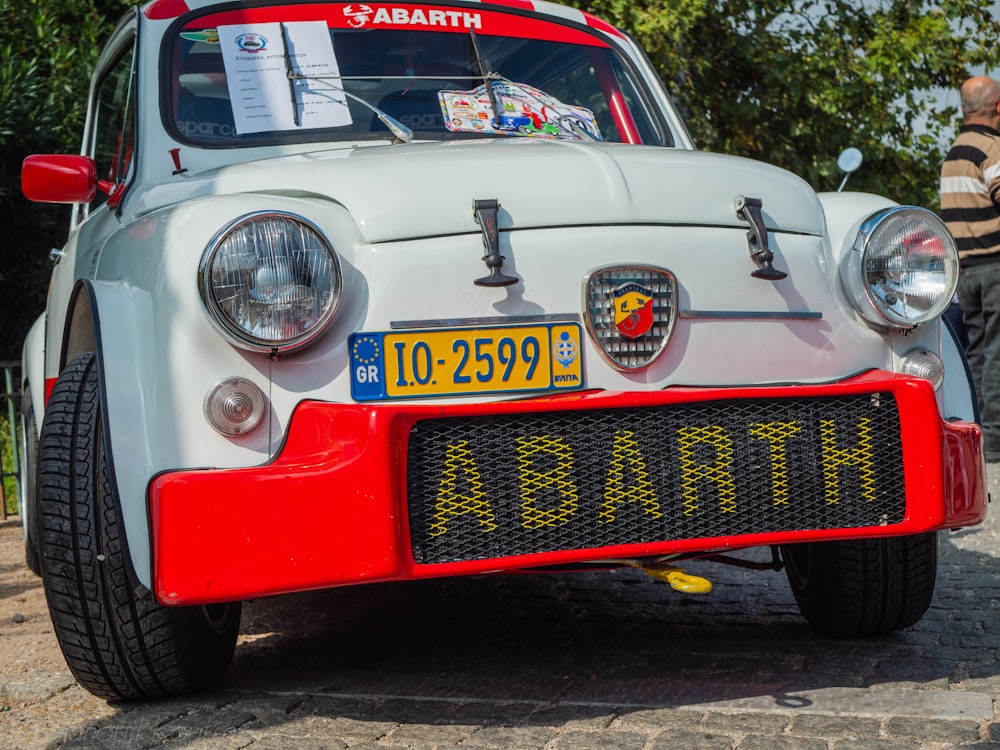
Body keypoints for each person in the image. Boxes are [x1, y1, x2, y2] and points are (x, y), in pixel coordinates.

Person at [940, 75, 1000, 462]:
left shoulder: (953, 154)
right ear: (998, 108)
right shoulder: (991, 148)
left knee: (977, 353)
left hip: (965, 272)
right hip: (995, 266)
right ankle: (995, 439)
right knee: (997, 352)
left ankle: (979, 436)